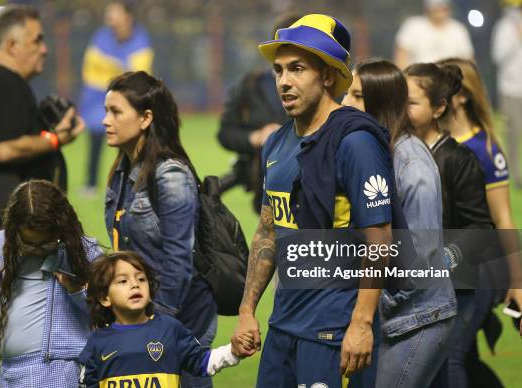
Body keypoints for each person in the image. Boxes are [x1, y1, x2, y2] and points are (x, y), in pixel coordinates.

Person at [231, 14, 409, 388]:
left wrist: (361, 323)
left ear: (328, 76)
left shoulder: (355, 143)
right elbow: (268, 231)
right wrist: (247, 310)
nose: (284, 81)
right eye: (279, 70)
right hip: (283, 328)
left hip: (334, 332)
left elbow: (379, 238)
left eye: (297, 69)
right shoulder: (277, 143)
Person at [0, 4, 85, 304]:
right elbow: (5, 149)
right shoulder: (1, 81)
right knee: (6, 324)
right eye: (37, 40)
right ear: (12, 44)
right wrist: (55, 138)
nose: (45, 49)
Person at [343, 59, 457, 387]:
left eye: (358, 96)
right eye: (347, 93)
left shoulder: (412, 165)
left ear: (380, 102)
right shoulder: (372, 151)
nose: (346, 103)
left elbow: (419, 261)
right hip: (389, 317)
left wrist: (364, 300)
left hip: (417, 321)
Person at [103, 71, 216, 388]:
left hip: (181, 319)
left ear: (145, 118)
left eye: (115, 111)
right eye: (105, 111)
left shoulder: (170, 175)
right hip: (142, 317)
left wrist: (159, 324)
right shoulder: (122, 171)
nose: (105, 121)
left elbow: (179, 260)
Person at [404, 61, 501, 388]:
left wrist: (445, 259)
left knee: (451, 361)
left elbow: (480, 228)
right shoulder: (396, 153)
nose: (402, 109)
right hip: (414, 285)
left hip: (458, 286)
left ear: (439, 107)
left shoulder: (459, 159)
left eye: (412, 102)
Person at [434, 57, 522, 384]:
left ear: (460, 95)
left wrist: (518, 281)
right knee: (464, 356)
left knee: (452, 356)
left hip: (482, 267)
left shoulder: (483, 148)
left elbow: (503, 217)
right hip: (453, 266)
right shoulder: (434, 141)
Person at [0, 180, 101, 388]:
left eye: (45, 243)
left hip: (57, 373)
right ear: (13, 229)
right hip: (7, 372)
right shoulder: (1, 243)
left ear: (61, 228)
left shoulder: (84, 252)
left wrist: (78, 290)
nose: (36, 249)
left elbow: (106, 313)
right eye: (27, 243)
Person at [79, 251, 250, 387]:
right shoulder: (98, 342)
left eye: (141, 279)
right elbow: (87, 382)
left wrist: (232, 352)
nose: (135, 284)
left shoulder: (170, 328)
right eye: (123, 281)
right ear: (105, 298)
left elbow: (201, 361)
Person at [216, 13, 298, 212]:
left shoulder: (324, 86)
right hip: (263, 190)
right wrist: (255, 137)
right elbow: (226, 133)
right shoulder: (251, 85)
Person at [79, 0, 153, 196]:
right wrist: (119, 69)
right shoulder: (101, 36)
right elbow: (91, 68)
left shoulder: (141, 40)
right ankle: (91, 183)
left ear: (128, 17)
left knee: (133, 143)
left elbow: (139, 72)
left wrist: (110, 69)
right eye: (108, 13)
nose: (109, 17)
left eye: (114, 13)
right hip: (97, 98)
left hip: (129, 98)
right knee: (96, 140)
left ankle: (139, 182)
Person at [491, 1, 522, 189]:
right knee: (513, 136)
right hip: (512, 89)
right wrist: (518, 39)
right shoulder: (506, 25)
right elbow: (498, 56)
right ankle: (515, 177)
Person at [394, 0, 473, 69]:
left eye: (443, 6)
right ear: (428, 7)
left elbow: (469, 63)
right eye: (437, 6)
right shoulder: (412, 26)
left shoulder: (459, 30)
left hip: (451, 83)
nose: (440, 9)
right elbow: (401, 59)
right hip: (417, 82)